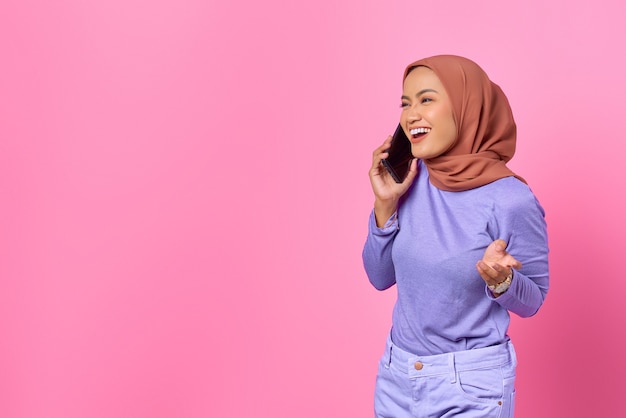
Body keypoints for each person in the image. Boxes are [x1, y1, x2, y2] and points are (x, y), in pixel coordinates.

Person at [362, 55, 549, 418]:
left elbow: (534, 299)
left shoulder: (510, 199)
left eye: (426, 100)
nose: (410, 114)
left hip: (469, 385)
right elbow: (379, 277)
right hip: (396, 377)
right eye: (405, 103)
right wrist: (384, 204)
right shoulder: (409, 181)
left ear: (466, 108)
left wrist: (503, 281)